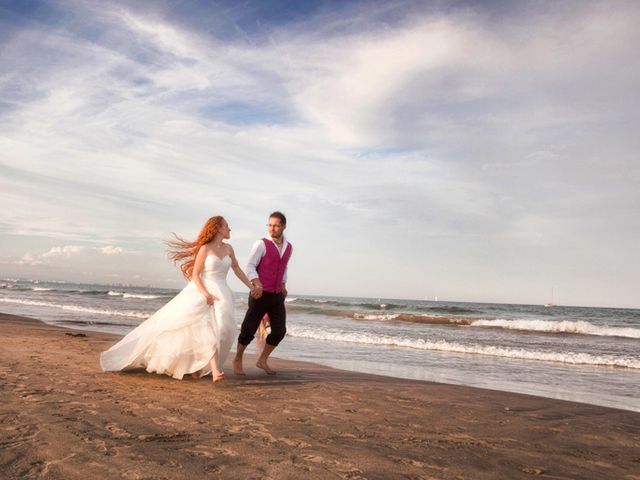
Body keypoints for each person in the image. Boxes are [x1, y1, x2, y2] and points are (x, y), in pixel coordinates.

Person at [100, 216, 256, 384]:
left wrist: (252, 286)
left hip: (223, 292)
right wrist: (206, 295)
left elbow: (237, 269)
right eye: (227, 226)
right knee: (207, 329)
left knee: (225, 330)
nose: (230, 229)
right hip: (204, 291)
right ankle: (216, 370)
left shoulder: (229, 249)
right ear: (218, 228)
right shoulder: (205, 249)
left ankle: (198, 367)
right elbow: (195, 275)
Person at [233, 211, 292, 376]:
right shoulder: (261, 244)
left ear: (284, 226)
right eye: (270, 225)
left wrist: (283, 284)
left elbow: (284, 267)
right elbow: (250, 266)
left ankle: (262, 360)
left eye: (276, 225)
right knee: (248, 329)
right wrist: (256, 283)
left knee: (279, 331)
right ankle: (238, 358)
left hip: (277, 295)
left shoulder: (289, 247)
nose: (272, 228)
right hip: (260, 293)